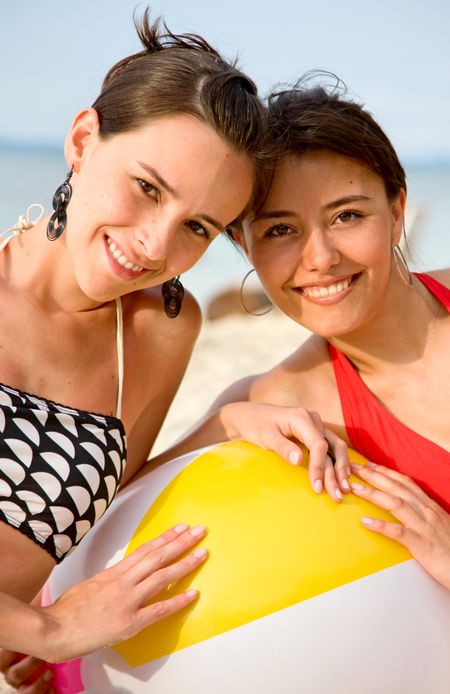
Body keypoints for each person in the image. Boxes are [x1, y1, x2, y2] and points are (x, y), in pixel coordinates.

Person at [1, 9, 340, 684]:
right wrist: (50, 626)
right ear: (82, 139)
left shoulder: (160, 329)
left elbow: (108, 491)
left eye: (197, 227)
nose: (156, 246)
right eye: (147, 188)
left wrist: (226, 420)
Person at [147, 75, 450, 591]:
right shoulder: (277, 401)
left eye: (347, 216)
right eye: (279, 230)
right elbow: (117, 527)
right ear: (244, 246)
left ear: (397, 213)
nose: (321, 259)